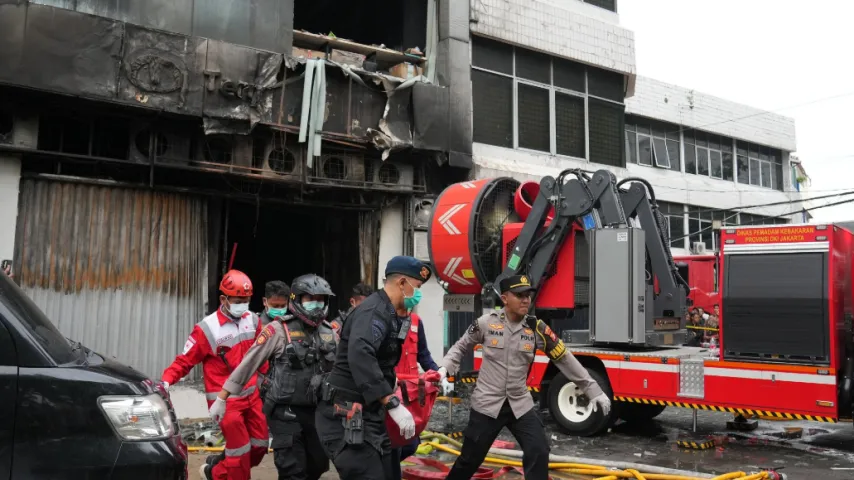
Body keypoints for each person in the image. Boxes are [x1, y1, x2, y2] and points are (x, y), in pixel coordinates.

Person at [439, 275, 611, 480]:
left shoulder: (537, 329)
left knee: (538, 451)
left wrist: (594, 390)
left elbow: (564, 358)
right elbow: (460, 346)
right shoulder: (486, 324)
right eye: (519, 295)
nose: (525, 300)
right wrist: (444, 369)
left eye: (528, 295)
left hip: (519, 404)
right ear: (504, 299)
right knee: (470, 459)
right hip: (487, 404)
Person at [315, 256, 432, 480]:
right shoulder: (373, 312)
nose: (418, 294)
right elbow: (361, 353)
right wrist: (391, 401)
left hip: (370, 413)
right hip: (345, 414)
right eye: (416, 287)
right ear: (402, 283)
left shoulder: (390, 312)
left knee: (389, 472)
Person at [212, 274, 337, 480]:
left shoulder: (330, 333)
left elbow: (343, 368)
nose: (316, 304)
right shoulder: (278, 330)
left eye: (321, 299)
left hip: (319, 412)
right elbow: (248, 364)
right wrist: (222, 397)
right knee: (293, 470)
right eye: (310, 299)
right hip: (285, 412)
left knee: (318, 465)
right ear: (297, 300)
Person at [161, 270, 269, 480]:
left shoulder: (253, 321)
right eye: (238, 300)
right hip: (226, 402)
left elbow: (260, 355)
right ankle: (227, 469)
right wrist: (166, 381)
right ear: (223, 299)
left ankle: (214, 472)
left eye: (246, 301)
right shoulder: (207, 329)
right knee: (239, 455)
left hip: (252, 397)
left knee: (259, 446)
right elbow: (185, 360)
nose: (243, 305)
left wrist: (264, 380)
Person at [393, 296, 441, 477]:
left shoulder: (415, 321)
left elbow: (424, 354)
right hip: (391, 390)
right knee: (393, 442)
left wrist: (439, 374)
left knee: (411, 444)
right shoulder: (384, 320)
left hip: (412, 393)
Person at [257, 281, 291, 400]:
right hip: (264, 383)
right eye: (275, 306)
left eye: (283, 306)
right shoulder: (256, 326)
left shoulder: (291, 324)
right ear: (265, 302)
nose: (280, 309)